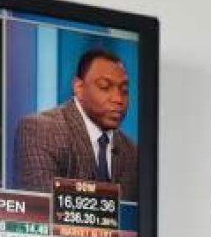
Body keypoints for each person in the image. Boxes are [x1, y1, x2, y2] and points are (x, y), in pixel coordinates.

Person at [13, 48, 138, 201]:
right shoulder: (41, 131)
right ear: (79, 87)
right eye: (105, 87)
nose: (118, 99)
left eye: (124, 90)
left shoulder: (132, 151)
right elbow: (42, 208)